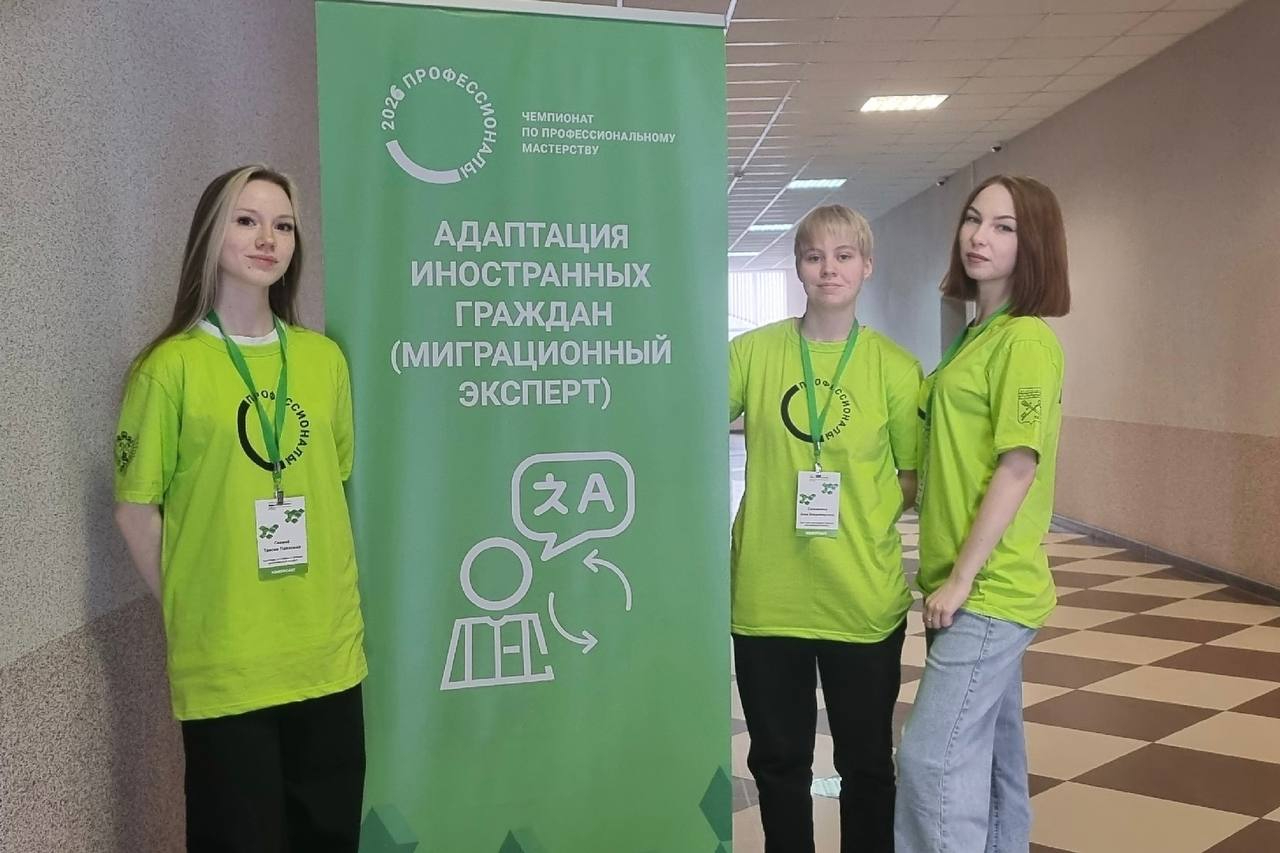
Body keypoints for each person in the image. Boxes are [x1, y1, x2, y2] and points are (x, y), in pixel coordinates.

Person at [113, 164, 366, 852]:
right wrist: (193, 602)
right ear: (210, 234)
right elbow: (135, 511)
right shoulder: (168, 368)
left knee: (329, 835)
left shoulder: (323, 360)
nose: (267, 239)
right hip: (228, 659)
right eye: (247, 220)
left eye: (283, 225)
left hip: (327, 651)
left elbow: (334, 477)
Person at [729, 204, 922, 852]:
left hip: (861, 596)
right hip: (768, 596)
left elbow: (910, 477)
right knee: (777, 762)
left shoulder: (894, 368)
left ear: (867, 266)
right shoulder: (752, 353)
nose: (829, 269)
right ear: (798, 267)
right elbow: (682, 410)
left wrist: (856, 516)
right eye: (814, 256)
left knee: (866, 765)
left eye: (844, 256)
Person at [894, 175, 1071, 853]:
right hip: (961, 582)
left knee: (931, 761)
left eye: (1004, 226)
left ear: (1035, 244)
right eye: (973, 219)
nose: (979, 236)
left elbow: (1017, 465)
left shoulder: (1025, 341)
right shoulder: (976, 335)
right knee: (993, 758)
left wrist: (963, 578)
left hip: (989, 589)